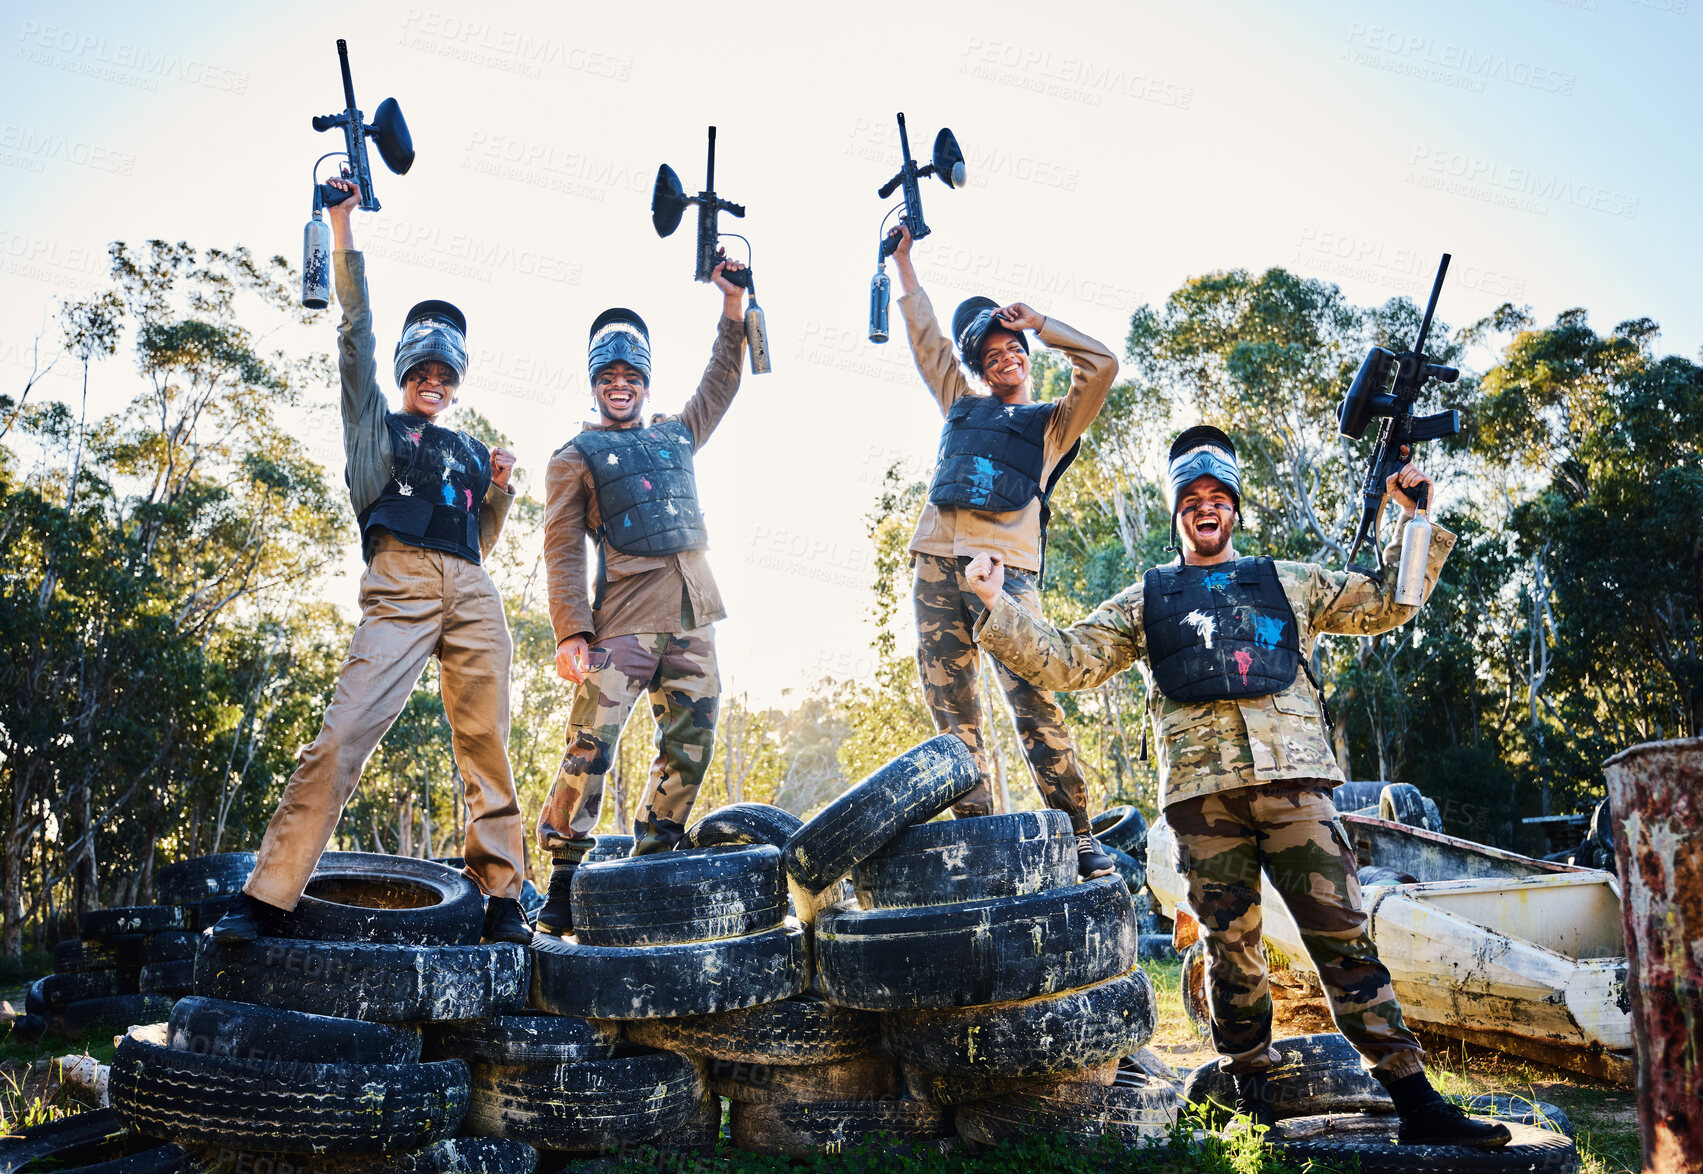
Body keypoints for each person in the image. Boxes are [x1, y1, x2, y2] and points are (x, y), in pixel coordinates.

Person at [963, 425, 1511, 1147]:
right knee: (1230, 953)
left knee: (1343, 940)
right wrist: (994, 603)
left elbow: (1387, 602)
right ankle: (1250, 1096)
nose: (1205, 508)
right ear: (1176, 514)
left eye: (1217, 497)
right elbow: (1068, 661)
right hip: (1202, 800)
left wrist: (1409, 520)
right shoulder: (1145, 599)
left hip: (1296, 793)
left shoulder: (1288, 581)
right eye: (1191, 499)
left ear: (1234, 510)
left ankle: (1416, 1105)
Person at [213, 177, 531, 946]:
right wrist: (341, 224)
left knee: (486, 743)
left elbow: (477, 543)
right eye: (421, 372)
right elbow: (354, 334)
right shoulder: (373, 430)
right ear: (404, 375)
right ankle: (268, 896)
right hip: (400, 582)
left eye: (444, 376)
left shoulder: (462, 445)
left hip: (473, 590)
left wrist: (498, 491)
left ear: (455, 385)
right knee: (345, 731)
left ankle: (502, 900)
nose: (433, 383)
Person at [886, 224, 1119, 879]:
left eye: (1009, 349)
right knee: (954, 717)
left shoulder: (1051, 424)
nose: (1001, 360)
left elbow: (1100, 366)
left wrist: (1042, 322)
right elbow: (926, 340)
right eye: (987, 356)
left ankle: (1079, 835)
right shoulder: (960, 404)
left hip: (1006, 578)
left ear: (1024, 353)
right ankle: (981, 842)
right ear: (978, 369)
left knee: (1033, 704)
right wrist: (903, 264)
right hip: (936, 564)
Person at [532, 262, 748, 935]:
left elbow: (721, 380)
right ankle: (564, 876)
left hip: (692, 617)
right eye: (607, 380)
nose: (619, 388)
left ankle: (657, 852)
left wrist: (733, 307)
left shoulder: (674, 435)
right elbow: (563, 546)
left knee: (692, 741)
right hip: (622, 623)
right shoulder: (577, 453)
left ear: (644, 384)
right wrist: (572, 631)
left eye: (630, 379)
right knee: (589, 744)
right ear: (594, 386)